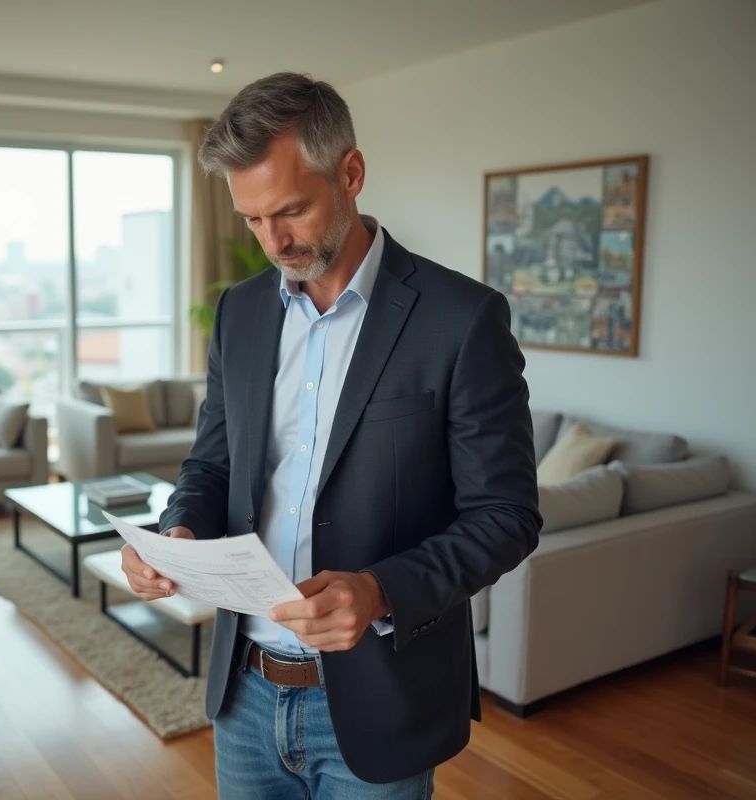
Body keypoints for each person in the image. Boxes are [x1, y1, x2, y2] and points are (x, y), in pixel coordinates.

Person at [121, 72, 541, 799]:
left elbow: (507, 517)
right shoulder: (240, 312)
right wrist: (179, 531)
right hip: (244, 693)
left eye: (290, 210)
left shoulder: (462, 319)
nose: (273, 241)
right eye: (251, 219)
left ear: (350, 173)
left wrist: (380, 591)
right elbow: (211, 462)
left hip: (383, 699)